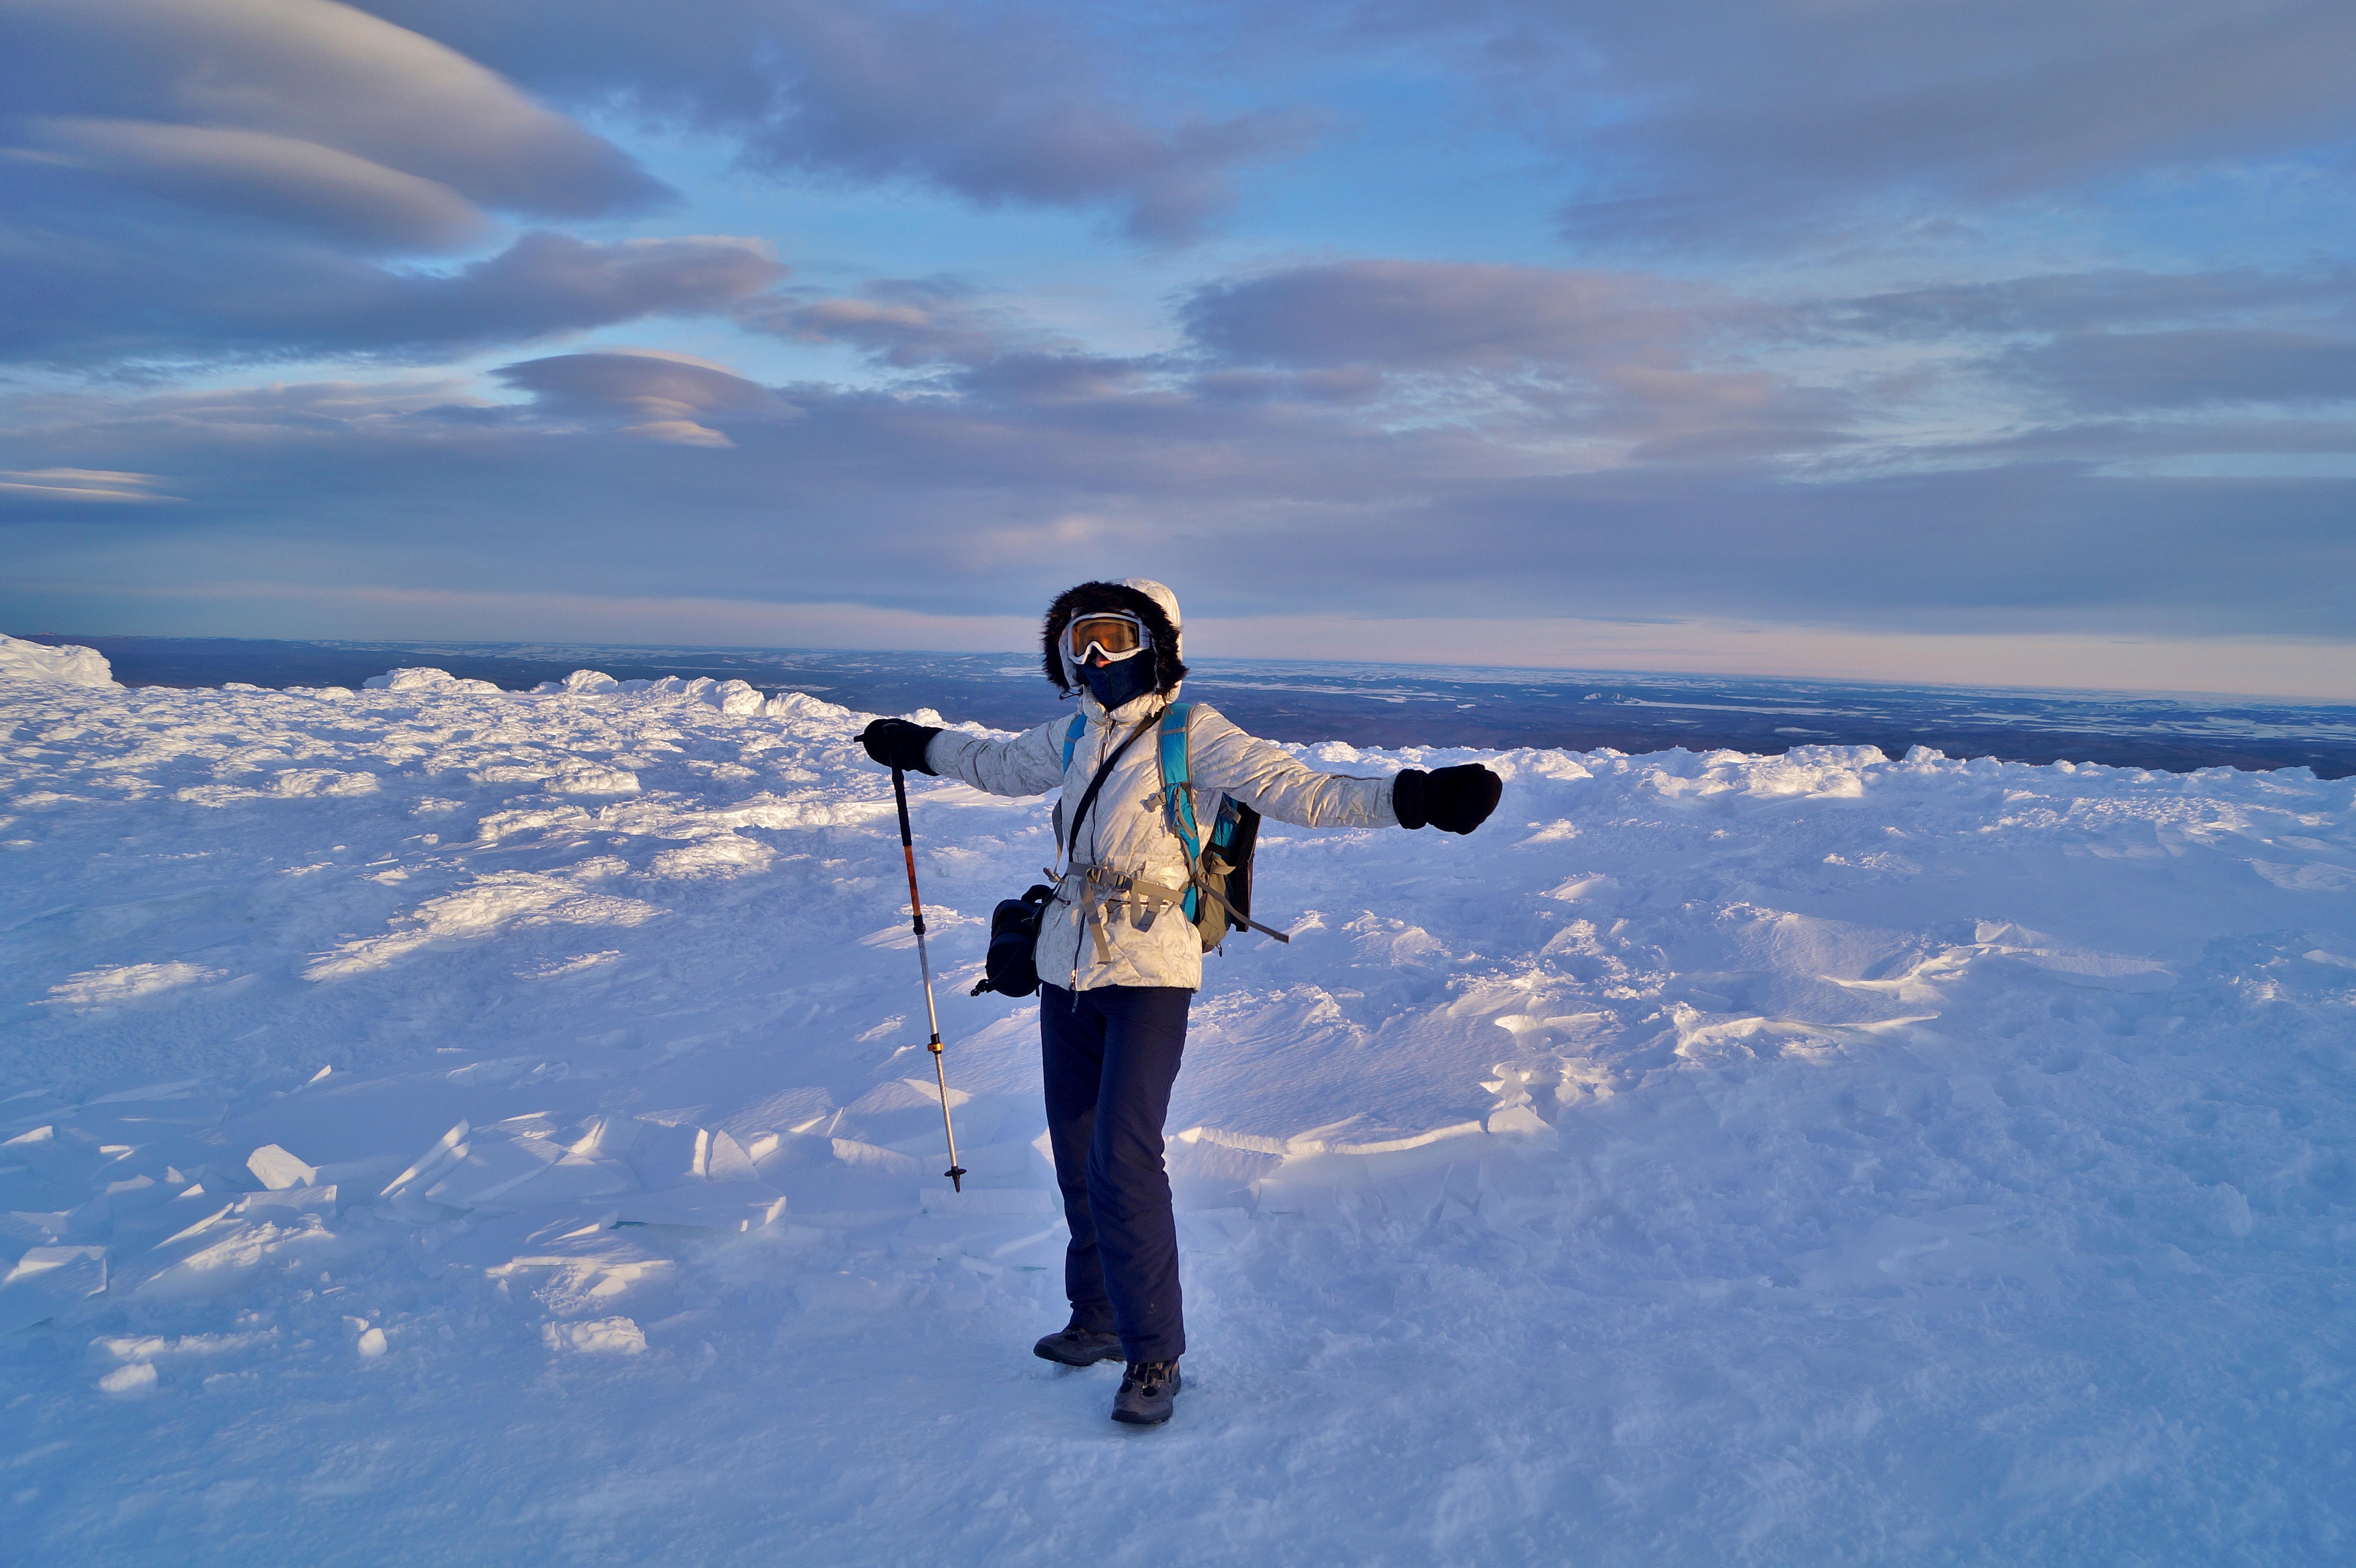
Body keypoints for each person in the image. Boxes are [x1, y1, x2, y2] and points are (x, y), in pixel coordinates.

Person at [858, 579, 1501, 1426]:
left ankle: (1153, 1353)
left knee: (1124, 1159)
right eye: (1079, 638)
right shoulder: (1074, 734)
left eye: (1112, 636)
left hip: (1151, 967)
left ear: (1155, 644)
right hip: (1067, 966)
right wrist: (918, 745)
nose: (1093, 656)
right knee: (1078, 1151)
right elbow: (994, 764)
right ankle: (1096, 1320)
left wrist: (1418, 799)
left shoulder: (1193, 735)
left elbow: (1302, 791)